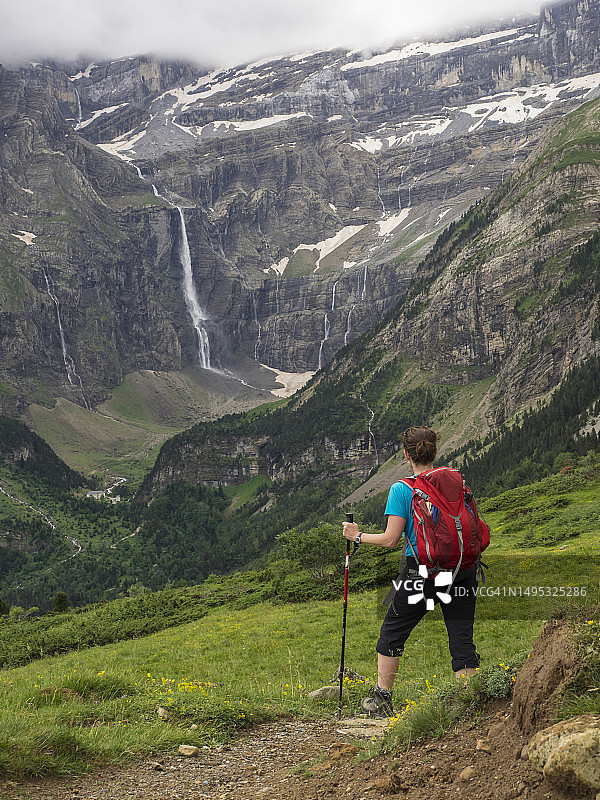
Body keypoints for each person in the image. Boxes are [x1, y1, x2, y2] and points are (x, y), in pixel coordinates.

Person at [342, 425, 480, 718]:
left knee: (392, 632)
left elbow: (391, 539)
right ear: (435, 451)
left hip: (424, 573)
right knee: (461, 638)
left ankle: (382, 699)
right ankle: (468, 705)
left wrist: (357, 536)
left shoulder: (402, 489)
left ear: (407, 455)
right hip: (463, 569)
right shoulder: (456, 482)